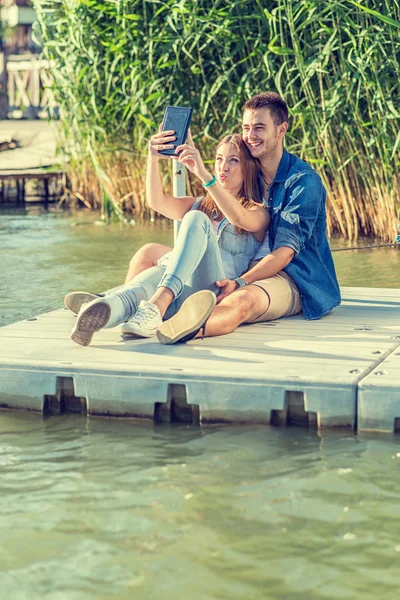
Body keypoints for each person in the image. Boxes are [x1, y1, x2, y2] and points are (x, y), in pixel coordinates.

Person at [69, 130, 269, 346]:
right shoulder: (200, 204)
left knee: (194, 219)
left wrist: (202, 174)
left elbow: (238, 217)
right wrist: (152, 159)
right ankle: (107, 308)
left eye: (234, 160)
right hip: (176, 287)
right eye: (219, 159)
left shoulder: (258, 213)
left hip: (207, 294)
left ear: (248, 167)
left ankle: (148, 305)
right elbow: (157, 202)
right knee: (146, 283)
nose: (223, 167)